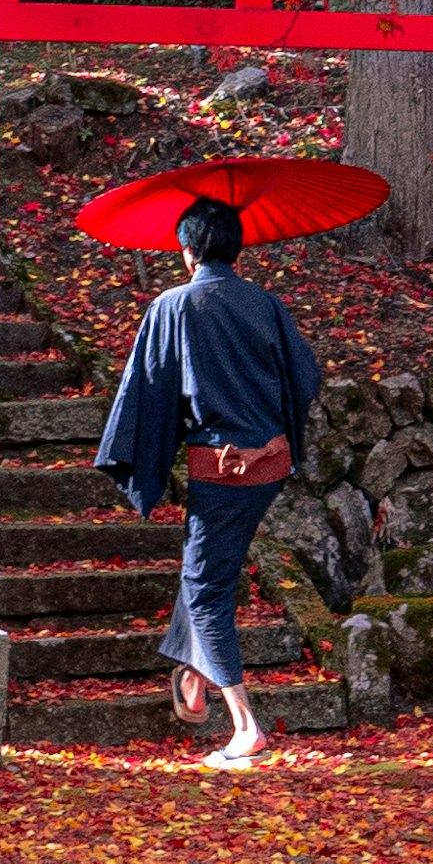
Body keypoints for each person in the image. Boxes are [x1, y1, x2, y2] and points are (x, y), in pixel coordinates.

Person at [96, 197, 322, 772]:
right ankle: (192, 680)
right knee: (209, 569)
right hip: (269, 462)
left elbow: (147, 386)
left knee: (205, 588)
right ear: (235, 248)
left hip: (219, 467)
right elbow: (306, 373)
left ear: (187, 249)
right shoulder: (265, 303)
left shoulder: (173, 306)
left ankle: (245, 727)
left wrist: (143, 451)